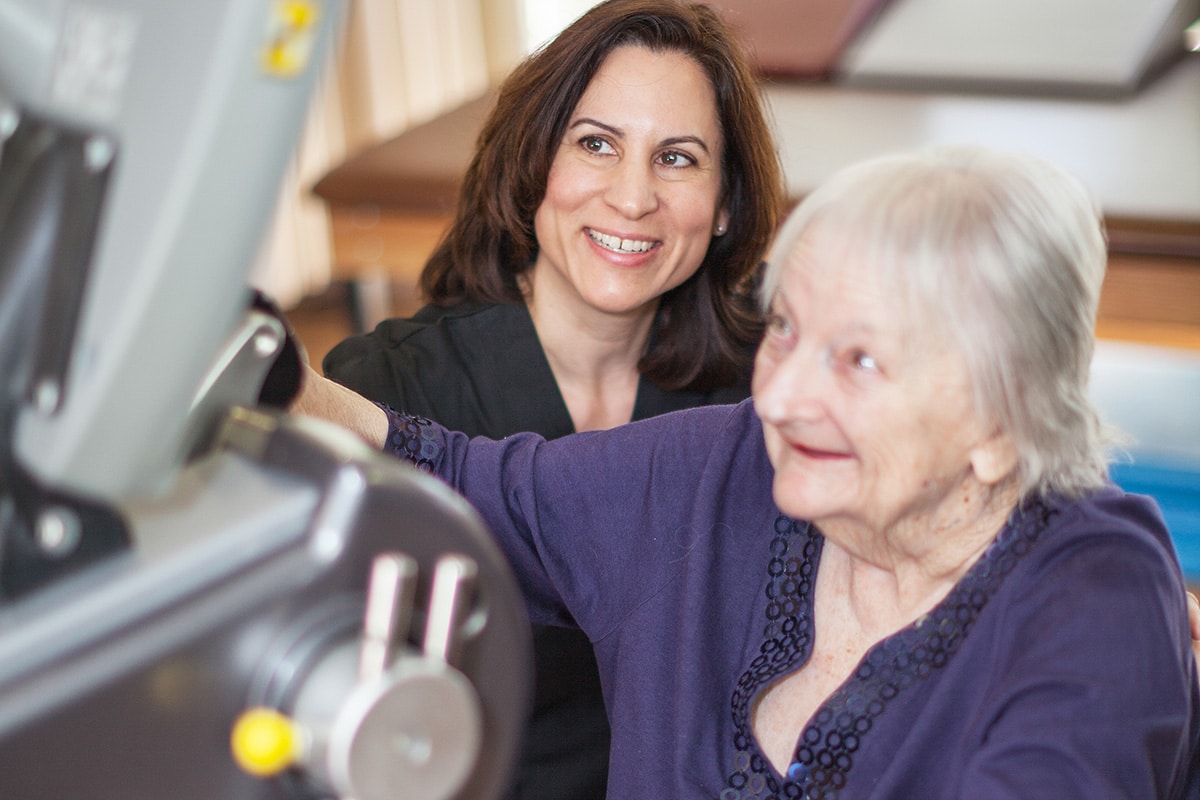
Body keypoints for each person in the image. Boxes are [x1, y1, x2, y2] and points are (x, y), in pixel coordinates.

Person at [297, 144, 1200, 798]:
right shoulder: (721, 468)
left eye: (861, 362)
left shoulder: (1097, 595)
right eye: (786, 332)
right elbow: (460, 481)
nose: (781, 397)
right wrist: (260, 375)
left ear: (1002, 424)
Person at [318, 1, 784, 798]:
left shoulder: (766, 393)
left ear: (727, 204)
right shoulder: (388, 387)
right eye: (596, 144)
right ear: (536, 164)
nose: (633, 198)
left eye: (677, 159)